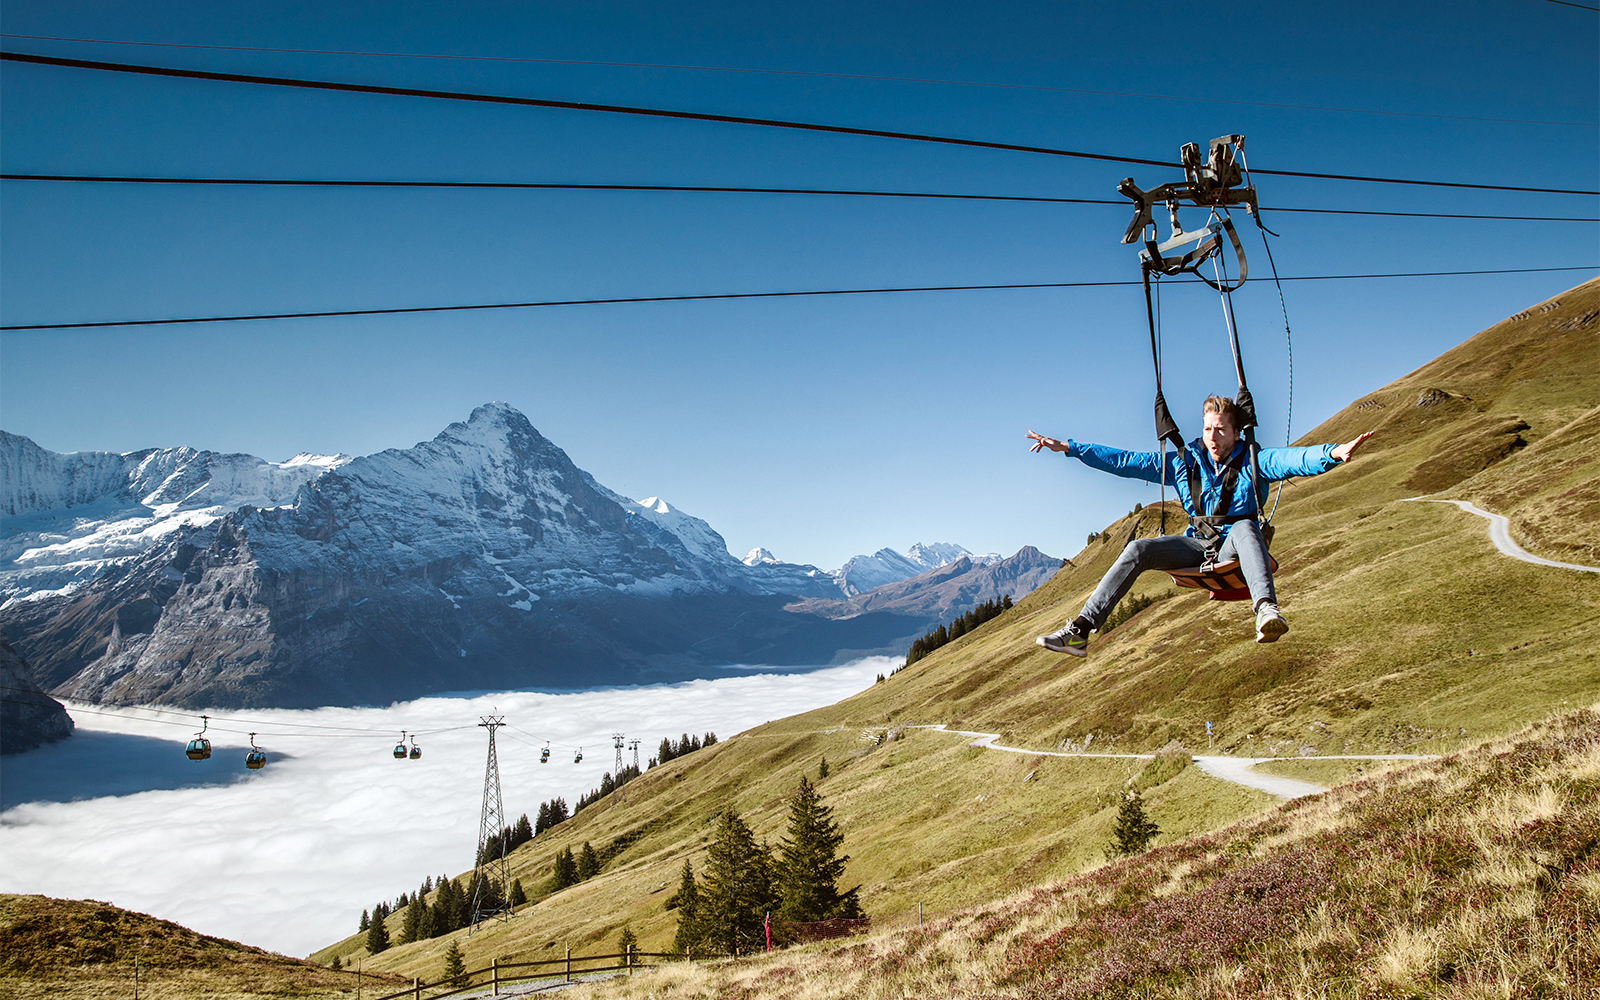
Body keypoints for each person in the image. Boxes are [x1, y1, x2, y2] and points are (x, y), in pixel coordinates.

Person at [1027, 395, 1373, 654]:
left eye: (1221, 430)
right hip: (1195, 546)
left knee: (1245, 528)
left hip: (1233, 545)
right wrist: (1071, 448)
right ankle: (1080, 630)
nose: (1212, 437)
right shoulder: (1184, 463)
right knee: (1138, 548)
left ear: (1236, 433)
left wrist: (1331, 453)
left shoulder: (1255, 460)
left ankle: (1266, 610)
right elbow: (1126, 461)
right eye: (1208, 429)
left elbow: (1291, 459)